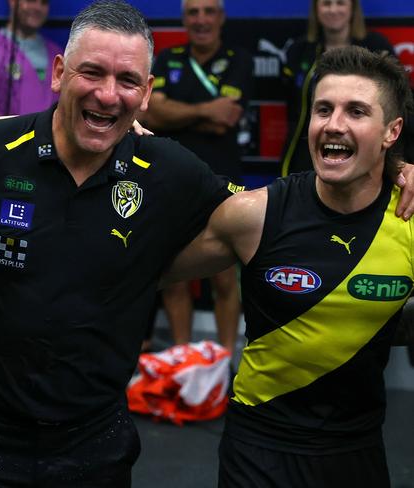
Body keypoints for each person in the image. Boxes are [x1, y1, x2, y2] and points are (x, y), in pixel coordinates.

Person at [0, 1, 239, 485]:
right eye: (92, 73)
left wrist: (386, 177)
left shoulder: (169, 170)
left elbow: (263, 216)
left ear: (146, 93)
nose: (107, 95)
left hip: (96, 444)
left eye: (127, 81)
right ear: (60, 72)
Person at [164, 46, 414, 487]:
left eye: (356, 111)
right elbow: (141, 270)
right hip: (260, 450)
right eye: (323, 109)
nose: (333, 125)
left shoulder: (408, 219)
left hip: (358, 451)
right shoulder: (254, 215)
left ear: (392, 131)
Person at [142, 0, 251, 351]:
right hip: (172, 181)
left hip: (224, 183)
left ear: (220, 17)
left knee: (223, 280)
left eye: (208, 11)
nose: (201, 20)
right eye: (193, 12)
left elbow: (228, 117)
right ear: (184, 18)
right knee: (174, 280)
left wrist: (177, 111)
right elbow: (153, 116)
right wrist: (206, 110)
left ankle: (222, 368)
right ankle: (182, 365)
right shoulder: (169, 58)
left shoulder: (240, 60)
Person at [280, 0, 394, 176]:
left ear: (353, 8)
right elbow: (292, 107)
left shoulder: (377, 47)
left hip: (366, 154)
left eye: (340, 3)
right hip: (304, 154)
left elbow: (395, 104)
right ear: (316, 10)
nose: (333, 10)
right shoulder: (299, 50)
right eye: (326, 4)